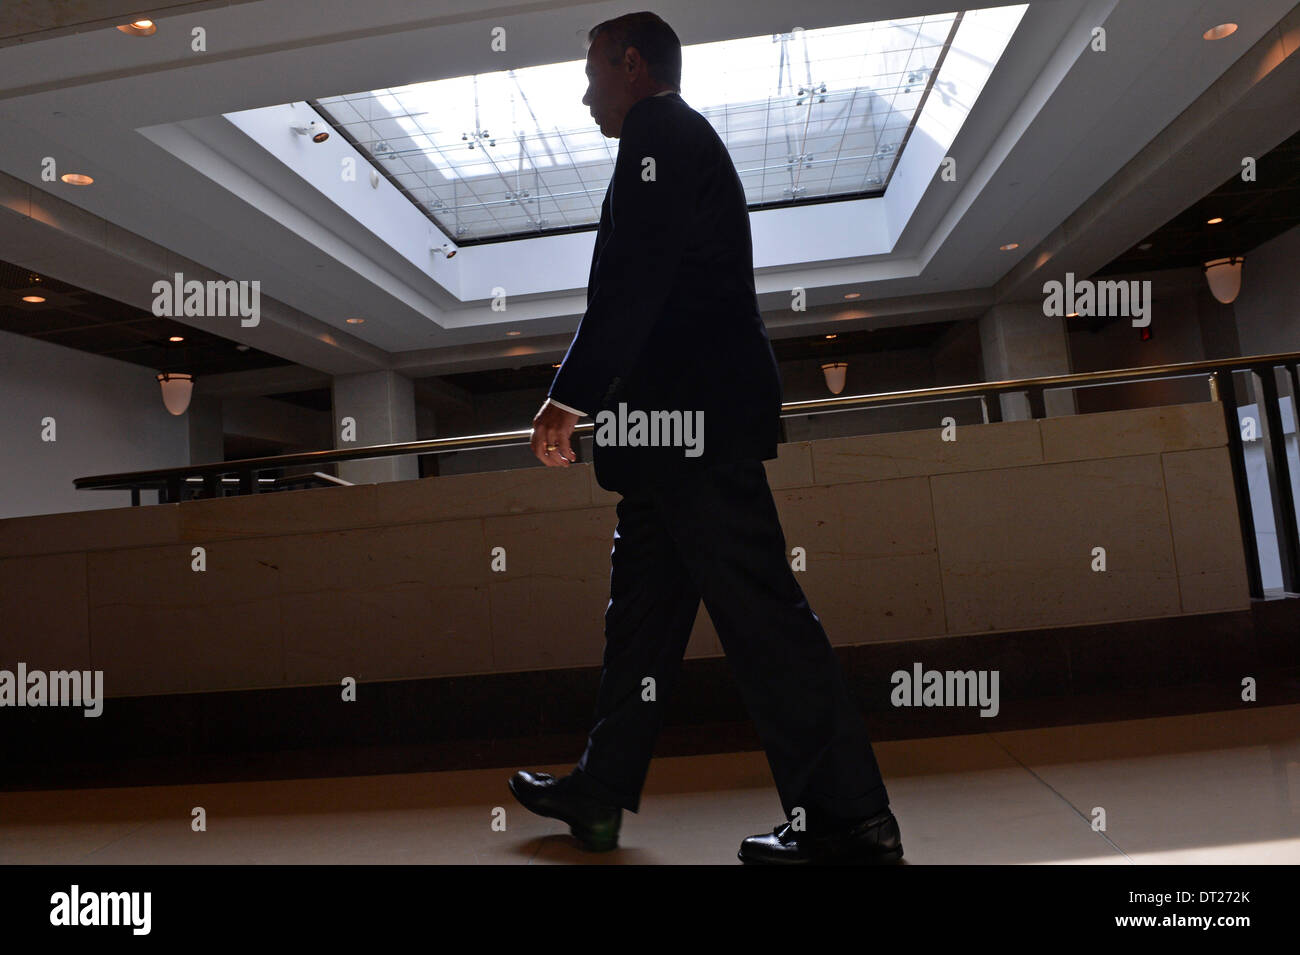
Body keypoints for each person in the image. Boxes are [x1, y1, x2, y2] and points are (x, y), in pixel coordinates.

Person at [510, 11, 902, 865]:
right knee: (640, 625)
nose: (583, 97)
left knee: (764, 620)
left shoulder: (660, 131)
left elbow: (635, 282)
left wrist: (565, 399)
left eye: (590, 75)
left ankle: (851, 824)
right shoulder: (665, 141)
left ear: (631, 62)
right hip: (665, 442)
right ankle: (600, 794)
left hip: (691, 432)